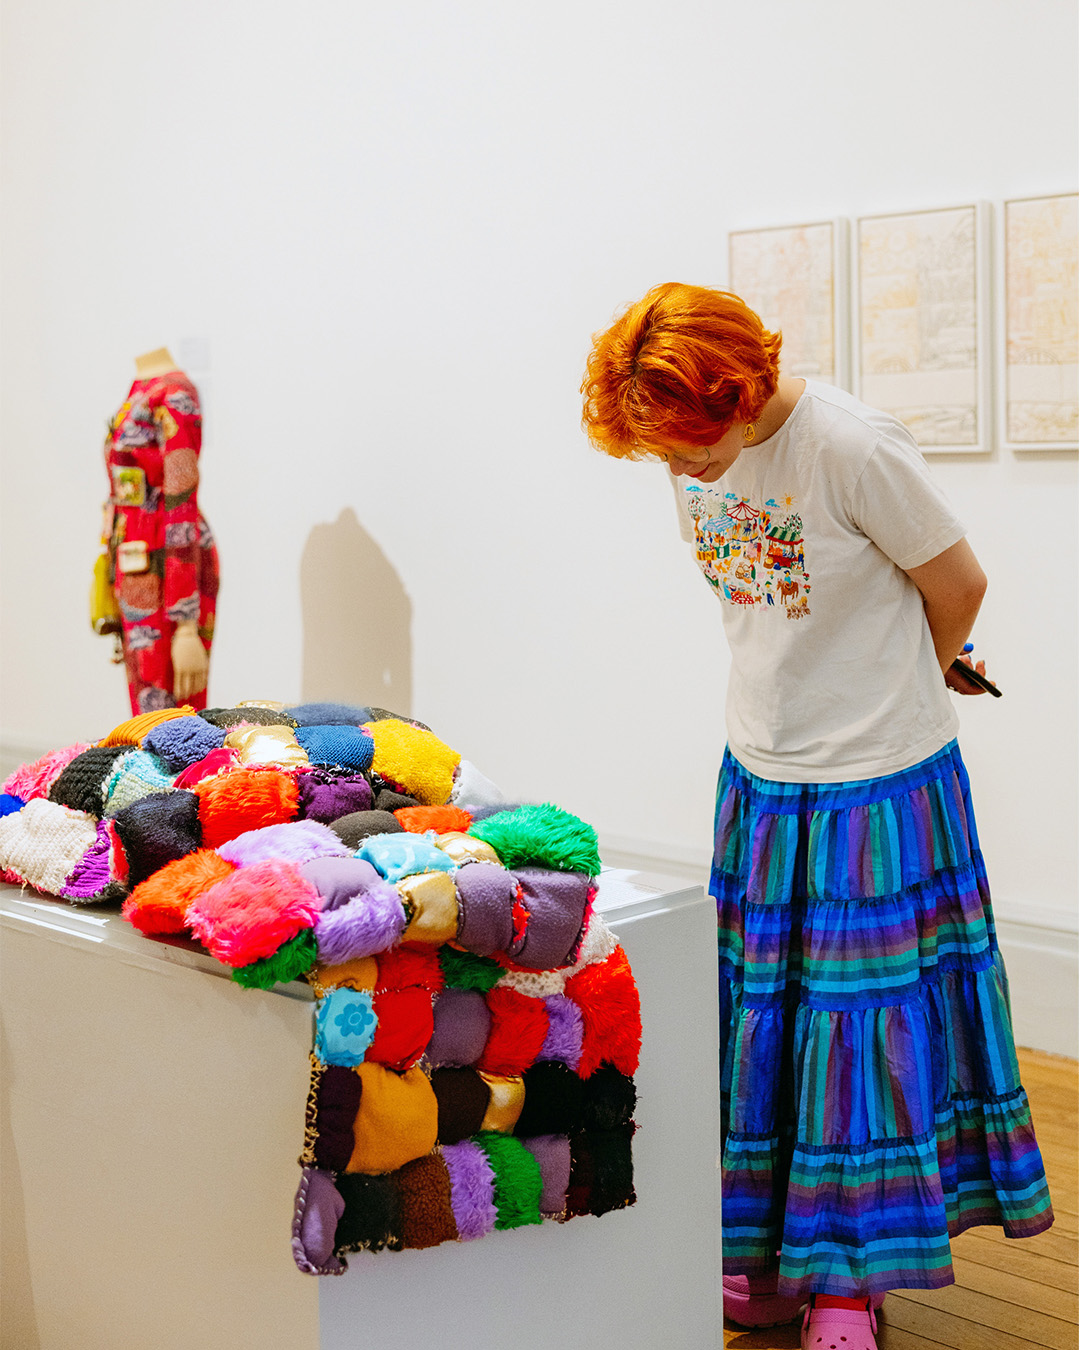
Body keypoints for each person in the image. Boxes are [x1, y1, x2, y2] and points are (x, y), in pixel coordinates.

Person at [580, 284, 1053, 1350]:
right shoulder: (685, 451)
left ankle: (848, 1282)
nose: (685, 476)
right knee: (768, 1018)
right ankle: (763, 1252)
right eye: (665, 460)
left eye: (692, 452)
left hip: (878, 782)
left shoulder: (850, 447)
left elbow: (959, 582)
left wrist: (911, 676)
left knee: (857, 1036)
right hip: (759, 773)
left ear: (739, 395)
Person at [104, 347, 219, 715]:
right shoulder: (141, 387)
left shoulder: (175, 394)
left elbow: (180, 500)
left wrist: (186, 625)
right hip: (135, 564)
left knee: (173, 718)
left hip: (168, 568)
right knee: (146, 715)